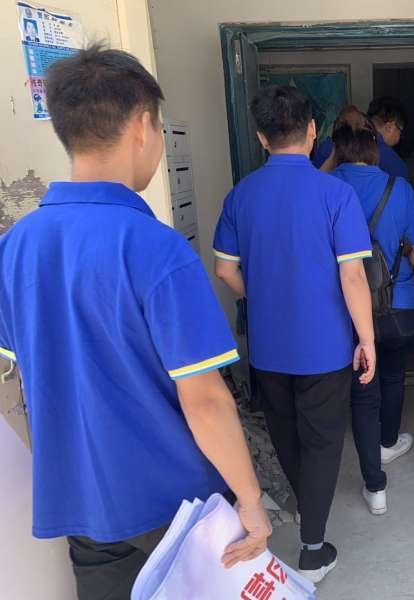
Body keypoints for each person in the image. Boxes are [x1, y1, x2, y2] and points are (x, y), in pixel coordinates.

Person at [0, 45, 270, 600]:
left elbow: (20, 376)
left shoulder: (16, 246)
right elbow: (205, 399)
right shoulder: (157, 249)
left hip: (82, 503)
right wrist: (250, 500)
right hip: (172, 504)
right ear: (143, 125)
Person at [213, 85, 376, 583]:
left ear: (262, 138)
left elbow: (224, 269)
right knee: (323, 441)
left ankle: (306, 508)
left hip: (268, 348)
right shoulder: (336, 194)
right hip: (326, 347)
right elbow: (352, 275)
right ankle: (313, 546)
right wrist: (367, 339)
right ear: (312, 132)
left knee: (286, 434)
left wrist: (262, 297)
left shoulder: (241, 195)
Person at [328, 108, 414, 516]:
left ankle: (376, 486)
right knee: (392, 374)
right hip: (398, 305)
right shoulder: (398, 187)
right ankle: (388, 442)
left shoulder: (327, 186)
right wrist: (402, 254)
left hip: (347, 309)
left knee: (362, 392)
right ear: (375, 149)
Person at [314, 96, 408, 178]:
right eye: (400, 131)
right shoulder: (395, 165)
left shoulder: (328, 146)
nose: (400, 137)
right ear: (390, 127)